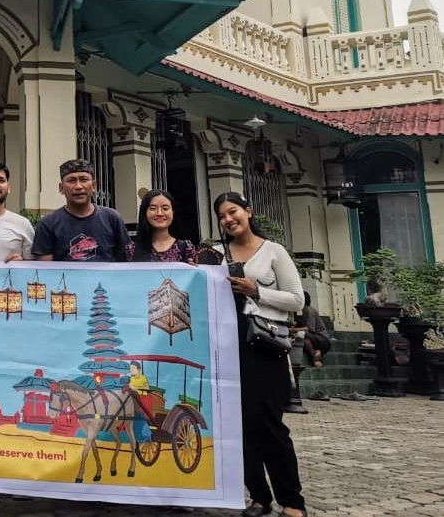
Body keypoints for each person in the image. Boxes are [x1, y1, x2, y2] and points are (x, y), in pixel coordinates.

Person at [214, 192, 305, 517]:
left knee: (269, 425)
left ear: (248, 211)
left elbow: (297, 301)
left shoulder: (273, 252)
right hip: (228, 347)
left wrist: (258, 291)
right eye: (222, 215)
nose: (228, 219)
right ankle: (259, 497)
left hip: (265, 347)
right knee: (239, 426)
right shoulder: (217, 255)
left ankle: (292, 501)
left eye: (233, 211)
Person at [32, 159, 128, 263]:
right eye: (71, 181)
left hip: (106, 279)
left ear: (94, 186)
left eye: (84, 179)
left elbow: (126, 259)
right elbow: (44, 269)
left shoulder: (112, 218)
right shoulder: (48, 223)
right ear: (61, 188)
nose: (78, 186)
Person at [125, 189, 197, 263]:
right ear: (145, 212)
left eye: (165, 208)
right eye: (153, 208)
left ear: (173, 212)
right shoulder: (132, 250)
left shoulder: (186, 248)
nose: (159, 213)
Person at [296, 291, 331, 367]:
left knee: (301, 334)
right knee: (303, 340)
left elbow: (309, 329)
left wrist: (293, 330)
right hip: (317, 340)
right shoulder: (306, 310)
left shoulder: (309, 310)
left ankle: (316, 357)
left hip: (322, 340)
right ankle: (316, 355)